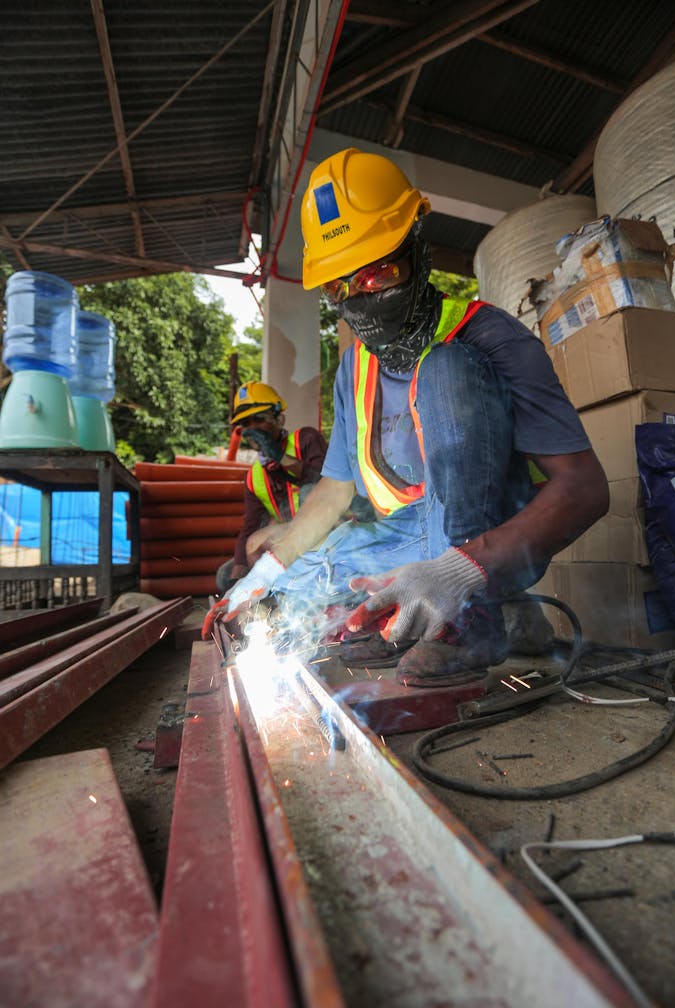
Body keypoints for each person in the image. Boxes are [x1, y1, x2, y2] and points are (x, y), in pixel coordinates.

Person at [207, 148, 609, 686]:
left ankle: (476, 616)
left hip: (486, 534)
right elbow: (332, 495)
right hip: (404, 536)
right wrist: (268, 571)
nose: (361, 299)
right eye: (340, 287)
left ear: (417, 248)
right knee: (296, 582)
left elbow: (586, 489)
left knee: (444, 368)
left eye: (378, 274)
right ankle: (484, 611)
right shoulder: (352, 369)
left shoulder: (492, 337)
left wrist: (459, 570)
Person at [215, 381, 328, 592]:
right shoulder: (254, 476)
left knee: (306, 492)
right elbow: (250, 526)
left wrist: (278, 455)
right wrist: (238, 574)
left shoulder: (306, 439)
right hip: (292, 544)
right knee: (226, 574)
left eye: (260, 419)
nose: (253, 428)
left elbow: (324, 483)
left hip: (330, 531)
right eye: (246, 424)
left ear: (279, 419)